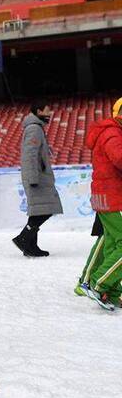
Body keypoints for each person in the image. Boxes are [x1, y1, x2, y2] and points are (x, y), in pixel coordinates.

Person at [74, 97, 122, 308]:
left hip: (108, 196)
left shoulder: (111, 131)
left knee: (112, 243)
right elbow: (119, 158)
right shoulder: (112, 132)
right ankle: (100, 283)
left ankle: (108, 289)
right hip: (115, 197)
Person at [12, 100, 63, 257]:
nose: (49, 113)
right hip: (37, 177)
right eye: (47, 110)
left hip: (39, 175)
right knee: (44, 211)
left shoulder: (37, 128)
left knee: (37, 211)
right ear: (39, 111)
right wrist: (33, 178)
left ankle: (30, 246)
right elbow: (30, 155)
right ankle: (23, 238)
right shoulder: (34, 129)